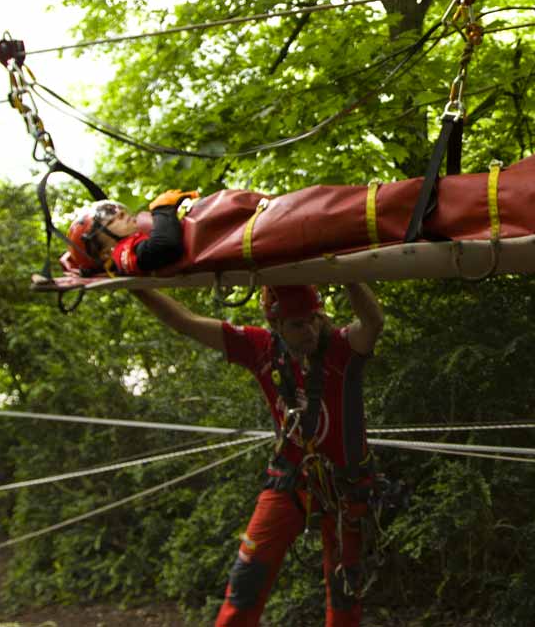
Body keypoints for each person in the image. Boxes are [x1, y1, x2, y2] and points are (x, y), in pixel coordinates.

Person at [132, 283, 385, 627]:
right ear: (277, 326)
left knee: (344, 599)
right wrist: (137, 287)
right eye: (297, 324)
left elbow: (373, 322)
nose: (310, 330)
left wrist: (349, 275)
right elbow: (184, 321)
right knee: (245, 584)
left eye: (313, 319)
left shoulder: (342, 347)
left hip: (345, 490)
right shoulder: (260, 348)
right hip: (289, 481)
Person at [64, 189, 198, 275]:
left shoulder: (139, 238)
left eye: (117, 213)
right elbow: (165, 245)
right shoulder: (121, 253)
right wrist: (162, 209)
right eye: (112, 221)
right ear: (105, 253)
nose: (121, 213)